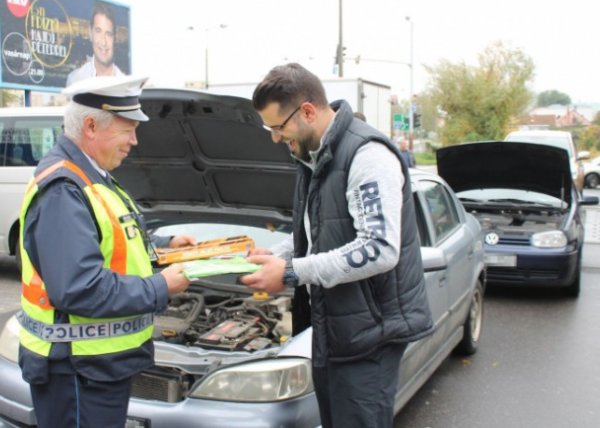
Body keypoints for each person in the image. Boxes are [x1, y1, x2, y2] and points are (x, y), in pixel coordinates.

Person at [240, 63, 433, 428]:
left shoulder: (366, 155)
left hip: (370, 337)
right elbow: (323, 234)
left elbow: (378, 248)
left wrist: (292, 272)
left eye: (277, 127)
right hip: (335, 329)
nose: (275, 139)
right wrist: (277, 255)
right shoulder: (315, 158)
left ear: (308, 111)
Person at [18, 75, 195, 428]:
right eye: (127, 129)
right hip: (78, 373)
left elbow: (114, 241)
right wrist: (161, 287)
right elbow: (79, 287)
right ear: (90, 126)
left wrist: (165, 248)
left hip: (96, 368)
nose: (134, 140)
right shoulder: (64, 190)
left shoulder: (92, 177)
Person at [66, 3, 124, 86]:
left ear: (114, 39)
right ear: (90, 33)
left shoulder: (127, 88)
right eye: (98, 31)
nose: (103, 42)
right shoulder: (75, 80)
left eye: (108, 34)